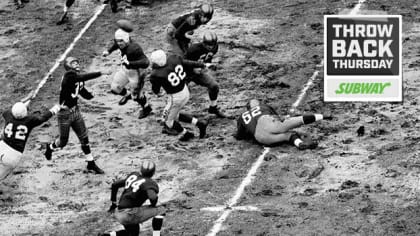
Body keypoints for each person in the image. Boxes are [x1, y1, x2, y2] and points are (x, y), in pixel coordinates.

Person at [44, 56, 108, 174]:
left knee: (84, 137)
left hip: (76, 111)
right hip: (65, 114)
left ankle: (91, 163)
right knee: (63, 141)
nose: (77, 64)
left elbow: (82, 92)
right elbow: (82, 77)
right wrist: (99, 73)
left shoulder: (77, 78)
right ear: (68, 66)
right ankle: (50, 147)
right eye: (73, 63)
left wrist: (91, 95)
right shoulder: (69, 76)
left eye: (77, 62)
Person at [149, 50, 208, 141]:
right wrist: (200, 64)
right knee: (174, 115)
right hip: (185, 90)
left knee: (167, 121)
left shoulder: (156, 74)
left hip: (175, 98)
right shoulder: (174, 58)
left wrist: (158, 93)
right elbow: (187, 62)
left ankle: (186, 133)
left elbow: (156, 89)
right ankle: (199, 123)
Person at [99, 161, 165, 236]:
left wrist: (113, 204)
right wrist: (153, 204)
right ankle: (156, 235)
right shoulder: (150, 183)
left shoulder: (134, 176)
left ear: (141, 169)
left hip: (118, 212)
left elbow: (115, 185)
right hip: (129, 213)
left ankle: (110, 235)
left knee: (133, 233)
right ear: (153, 172)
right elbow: (153, 197)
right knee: (161, 210)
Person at [235, 99, 332, 149]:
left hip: (260, 138)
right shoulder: (263, 106)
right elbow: (277, 118)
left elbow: (240, 135)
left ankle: (300, 144)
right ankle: (323, 116)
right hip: (266, 123)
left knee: (287, 136)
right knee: (294, 122)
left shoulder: (242, 116)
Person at [0, 98, 60, 180]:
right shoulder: (29, 121)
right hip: (13, 155)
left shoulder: (7, 114)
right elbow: (43, 118)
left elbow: (14, 109)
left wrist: (25, 101)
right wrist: (56, 108)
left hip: (2, 147)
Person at [103, 28, 152, 119]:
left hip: (137, 73)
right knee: (115, 88)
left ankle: (146, 108)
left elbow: (146, 62)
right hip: (125, 69)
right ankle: (127, 95)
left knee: (136, 97)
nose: (119, 43)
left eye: (121, 41)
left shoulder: (134, 48)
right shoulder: (121, 43)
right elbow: (116, 44)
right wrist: (109, 51)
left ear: (126, 39)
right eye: (117, 41)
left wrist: (131, 64)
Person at [184, 31, 226, 118]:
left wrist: (207, 65)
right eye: (208, 45)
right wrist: (193, 69)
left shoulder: (215, 47)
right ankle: (174, 114)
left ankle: (213, 107)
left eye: (212, 45)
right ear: (203, 43)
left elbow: (207, 60)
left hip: (198, 72)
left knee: (214, 86)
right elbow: (182, 62)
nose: (210, 47)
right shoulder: (193, 49)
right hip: (184, 73)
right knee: (183, 95)